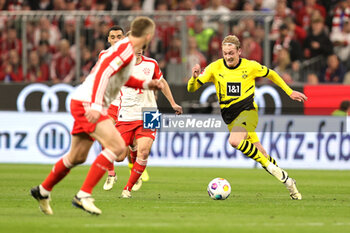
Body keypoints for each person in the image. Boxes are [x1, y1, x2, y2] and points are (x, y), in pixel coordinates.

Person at [30, 16, 162, 216]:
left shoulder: (124, 49)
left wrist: (146, 84)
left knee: (77, 156)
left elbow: (123, 78)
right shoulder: (125, 50)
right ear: (149, 36)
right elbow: (103, 75)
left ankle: (43, 190)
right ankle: (83, 195)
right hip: (88, 103)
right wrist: (96, 105)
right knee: (118, 148)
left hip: (81, 100)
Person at [187, 35, 307, 200]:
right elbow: (191, 88)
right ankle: (289, 183)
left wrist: (289, 92)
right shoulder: (214, 68)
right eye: (225, 53)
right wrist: (193, 78)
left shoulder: (250, 66)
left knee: (234, 141)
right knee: (262, 154)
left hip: (248, 112)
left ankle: (277, 172)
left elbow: (272, 74)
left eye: (231, 53)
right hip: (230, 119)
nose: (228, 56)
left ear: (239, 51)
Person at [104, 47, 183, 197]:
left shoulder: (151, 64)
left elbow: (162, 82)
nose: (138, 50)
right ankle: (132, 153)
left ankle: (127, 189)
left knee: (144, 151)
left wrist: (173, 103)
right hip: (126, 114)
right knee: (119, 156)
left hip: (150, 113)